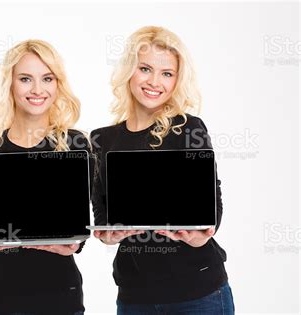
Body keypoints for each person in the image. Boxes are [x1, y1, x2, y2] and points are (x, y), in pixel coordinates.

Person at [91, 26, 235, 314]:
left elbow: (212, 200)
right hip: (135, 296)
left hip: (199, 291)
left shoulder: (189, 128)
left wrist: (203, 234)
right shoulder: (102, 140)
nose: (154, 82)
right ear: (129, 71)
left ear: (177, 80)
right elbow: (103, 214)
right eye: (145, 68)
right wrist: (107, 235)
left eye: (167, 73)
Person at [0, 39, 89, 315]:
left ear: (58, 85)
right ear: (10, 83)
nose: (37, 89)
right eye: (25, 79)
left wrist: (76, 243)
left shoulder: (76, 144)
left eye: (47, 78)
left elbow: (80, 223)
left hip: (59, 297)